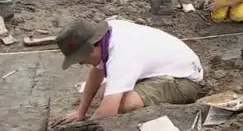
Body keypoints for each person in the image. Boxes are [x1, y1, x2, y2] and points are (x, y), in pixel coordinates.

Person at [51, 18, 203, 126]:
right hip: (164, 68)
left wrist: (85, 127)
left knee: (126, 104)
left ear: (91, 49)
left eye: (81, 60)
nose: (82, 64)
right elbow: (96, 74)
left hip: (184, 80)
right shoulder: (106, 35)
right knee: (105, 92)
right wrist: (80, 112)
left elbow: (107, 113)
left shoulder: (121, 55)